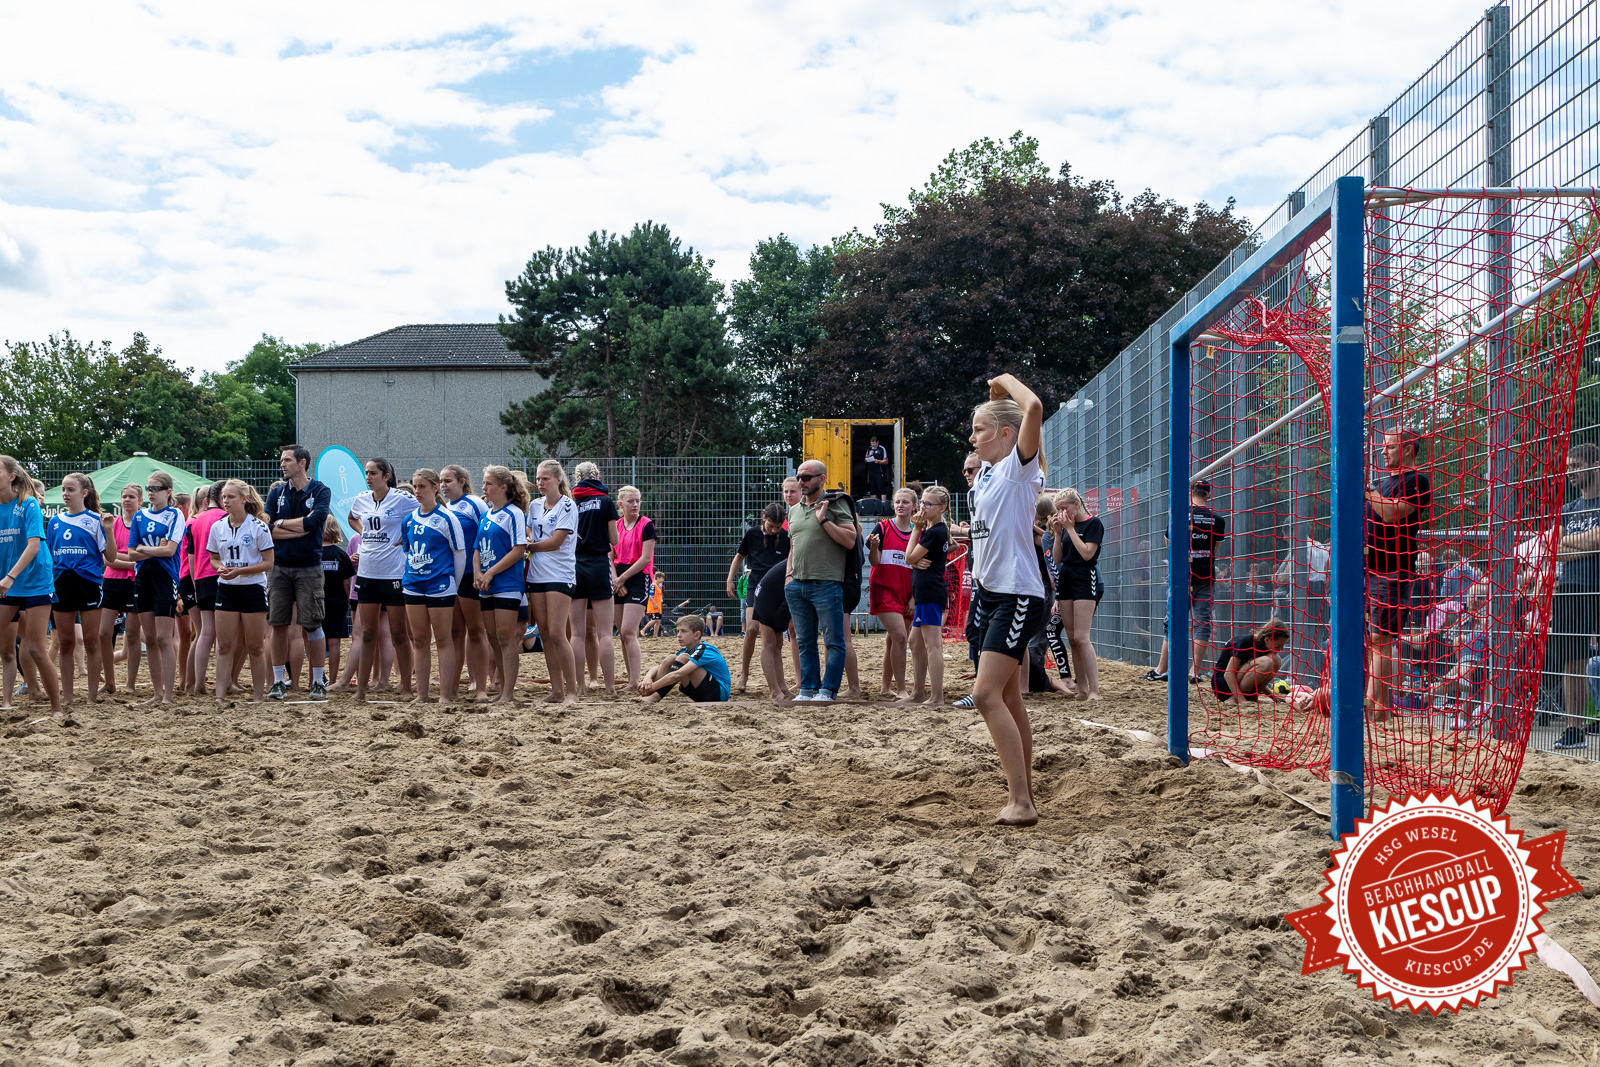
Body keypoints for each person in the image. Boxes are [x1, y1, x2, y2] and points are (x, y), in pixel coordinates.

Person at [966, 375, 1050, 827]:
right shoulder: (988, 476)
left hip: (1018, 595)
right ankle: (1025, 794)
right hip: (991, 595)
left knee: (983, 695)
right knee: (1010, 697)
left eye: (979, 429)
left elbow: (1033, 407)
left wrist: (1004, 383)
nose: (972, 437)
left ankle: (1021, 802)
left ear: (1004, 434)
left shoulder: (1019, 468)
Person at [1365, 430, 1432, 713]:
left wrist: (1368, 491)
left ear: (1406, 449)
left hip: (1394, 569)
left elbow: (1393, 514)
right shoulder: (1381, 483)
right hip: (1369, 569)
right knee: (1375, 638)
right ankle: (1380, 706)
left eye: (1389, 446)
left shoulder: (1417, 480)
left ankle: (1374, 704)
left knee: (1382, 637)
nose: (1383, 452)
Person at [784, 460, 858, 702]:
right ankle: (808, 689)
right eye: (799, 477)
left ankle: (828, 691)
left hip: (827, 583)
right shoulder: (794, 510)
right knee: (804, 641)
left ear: (822, 478)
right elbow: (793, 546)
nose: (801, 482)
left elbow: (850, 540)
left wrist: (824, 520)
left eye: (807, 477)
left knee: (833, 641)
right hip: (797, 584)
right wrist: (788, 576)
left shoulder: (835, 504)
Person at [263, 445, 333, 701]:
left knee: (312, 625)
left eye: (287, 460)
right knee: (278, 625)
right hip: (279, 566)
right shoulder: (276, 492)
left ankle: (317, 682)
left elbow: (315, 523)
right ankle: (279, 682)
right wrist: (292, 526)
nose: (282, 464)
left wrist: (281, 524)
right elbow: (266, 526)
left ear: (302, 462)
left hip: (309, 566)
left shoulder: (320, 490)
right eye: (281, 460)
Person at [349, 458, 417, 702]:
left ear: (386, 476)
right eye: (366, 473)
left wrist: (406, 536)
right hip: (367, 572)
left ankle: (407, 687)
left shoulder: (401, 498)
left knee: (399, 633)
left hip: (393, 573)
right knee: (368, 632)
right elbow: (352, 517)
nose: (368, 477)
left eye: (373, 473)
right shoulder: (362, 498)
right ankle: (361, 690)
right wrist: (363, 533)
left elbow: (423, 512)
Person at [47, 473, 117, 706]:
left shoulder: (96, 520)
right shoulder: (55, 522)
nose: (65, 494)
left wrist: (108, 531)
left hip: (87, 582)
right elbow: (49, 555)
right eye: (63, 489)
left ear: (84, 493)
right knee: (65, 642)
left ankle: (91, 698)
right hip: (61, 582)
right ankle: (67, 698)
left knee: (91, 641)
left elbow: (112, 556)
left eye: (71, 489)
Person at [400, 469, 468, 704]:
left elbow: (460, 554)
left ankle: (445, 695)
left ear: (434, 488)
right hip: (413, 584)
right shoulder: (408, 520)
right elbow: (407, 552)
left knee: (442, 639)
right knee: (419, 639)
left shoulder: (448, 518)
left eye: (422, 487)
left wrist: (453, 585)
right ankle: (421, 694)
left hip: (440, 584)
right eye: (415, 486)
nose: (417, 491)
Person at [0, 457, 60, 717]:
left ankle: (57, 708)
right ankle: (13, 697)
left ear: (11, 476)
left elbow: (33, 545)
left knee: (35, 646)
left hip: (34, 580)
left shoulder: (28, 504)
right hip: (7, 581)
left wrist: (10, 577)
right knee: (8, 648)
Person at [207, 479, 273, 701]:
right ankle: (219, 696)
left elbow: (268, 563)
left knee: (255, 646)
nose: (226, 500)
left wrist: (240, 571)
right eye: (224, 496)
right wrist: (221, 569)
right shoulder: (217, 526)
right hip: (226, 588)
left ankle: (257, 696)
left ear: (244, 499)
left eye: (231, 496)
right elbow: (213, 558)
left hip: (252, 588)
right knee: (224, 645)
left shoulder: (258, 527)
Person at [1553, 442, 1600, 748]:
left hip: (1596, 585)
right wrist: (1586, 543)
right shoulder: (1568, 509)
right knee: (1573, 660)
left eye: (1576, 466)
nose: (1570, 472)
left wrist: (1572, 544)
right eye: (1568, 467)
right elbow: (1556, 550)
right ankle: (1574, 729)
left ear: (1594, 467)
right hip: (1571, 588)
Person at [124, 471, 185, 706]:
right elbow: (130, 553)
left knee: (163, 638)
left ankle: (168, 695)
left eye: (155, 488)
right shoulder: (139, 516)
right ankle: (157, 693)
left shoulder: (174, 514)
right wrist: (154, 548)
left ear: (168, 491)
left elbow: (170, 550)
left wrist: (143, 549)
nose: (150, 492)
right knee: (149, 638)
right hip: (143, 577)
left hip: (164, 576)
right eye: (148, 488)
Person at [474, 466, 529, 704]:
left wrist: (491, 573)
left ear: (503, 487)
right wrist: (478, 572)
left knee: (506, 638)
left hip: (507, 582)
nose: (484, 488)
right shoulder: (487, 513)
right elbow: (477, 548)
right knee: (493, 637)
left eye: (488, 484)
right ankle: (501, 687)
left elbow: (519, 549)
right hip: (487, 583)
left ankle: (508, 692)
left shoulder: (513, 513)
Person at [526, 459, 579, 703]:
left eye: (545, 478)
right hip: (537, 574)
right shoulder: (535, 505)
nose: (540, 482)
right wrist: (527, 541)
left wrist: (528, 546)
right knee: (545, 633)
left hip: (559, 574)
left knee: (558, 633)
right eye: (538, 478)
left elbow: (556, 541)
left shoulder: (567, 505)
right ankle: (557, 690)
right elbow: (529, 532)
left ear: (558, 479)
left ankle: (572, 691)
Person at [439, 465, 491, 701]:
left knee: (476, 631)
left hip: (472, 574)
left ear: (462, 481)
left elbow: (486, 535)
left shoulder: (474, 503)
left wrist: (484, 571)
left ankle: (481, 686)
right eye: (440, 481)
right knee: (455, 632)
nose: (443, 485)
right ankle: (452, 687)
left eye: (448, 481)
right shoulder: (447, 507)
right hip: (453, 575)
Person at [570, 462, 620, 699]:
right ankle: (609, 687)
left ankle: (579, 686)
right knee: (605, 633)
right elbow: (614, 539)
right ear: (597, 476)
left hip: (575, 564)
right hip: (599, 563)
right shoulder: (605, 501)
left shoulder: (571, 502)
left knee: (576, 633)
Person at [727, 503, 786, 694]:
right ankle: (744, 673)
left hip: (777, 586)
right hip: (756, 583)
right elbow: (739, 557)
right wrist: (730, 579)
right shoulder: (752, 534)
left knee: (776, 637)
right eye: (771, 526)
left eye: (778, 527)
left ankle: (779, 683)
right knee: (752, 628)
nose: (774, 530)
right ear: (763, 518)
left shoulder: (784, 536)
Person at [1052, 488, 1104, 702]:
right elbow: (1057, 558)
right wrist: (1057, 533)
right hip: (1066, 576)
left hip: (1084, 576)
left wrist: (1070, 529)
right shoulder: (1065, 527)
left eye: (1065, 508)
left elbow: (1086, 553)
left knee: (1082, 637)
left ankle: (1094, 690)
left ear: (1077, 504)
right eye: (1058, 509)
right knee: (1072, 638)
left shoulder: (1093, 523)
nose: (1062, 512)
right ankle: (1082, 688)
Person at [867, 488, 916, 699]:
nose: (900, 505)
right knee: (899, 637)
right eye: (897, 502)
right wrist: (874, 547)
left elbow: (922, 568)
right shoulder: (883, 527)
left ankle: (885, 687)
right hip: (884, 588)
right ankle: (902, 689)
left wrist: (914, 597)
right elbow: (874, 562)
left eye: (905, 502)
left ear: (914, 506)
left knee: (892, 640)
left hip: (907, 591)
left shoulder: (918, 531)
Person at [905, 485, 951, 705]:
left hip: (930, 591)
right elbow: (914, 559)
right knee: (915, 642)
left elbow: (908, 556)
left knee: (932, 644)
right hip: (925, 591)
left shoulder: (934, 531)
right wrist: (916, 561)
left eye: (928, 504)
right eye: (922, 502)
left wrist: (915, 529)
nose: (922, 507)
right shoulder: (936, 530)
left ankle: (936, 696)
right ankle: (918, 692)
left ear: (941, 508)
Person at [182, 481, 227, 696]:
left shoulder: (196, 520)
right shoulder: (223, 518)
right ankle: (223, 683)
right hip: (220, 575)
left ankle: (198, 682)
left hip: (200, 577)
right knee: (222, 636)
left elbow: (191, 556)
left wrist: (194, 581)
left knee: (204, 633)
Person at [612, 485, 657, 692]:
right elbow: (610, 556)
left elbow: (645, 558)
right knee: (622, 632)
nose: (636, 504)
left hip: (637, 577)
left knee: (630, 631)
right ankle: (631, 678)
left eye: (638, 500)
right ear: (620, 504)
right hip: (619, 577)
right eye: (631, 501)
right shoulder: (617, 525)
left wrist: (622, 578)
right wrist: (615, 580)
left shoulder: (646, 524)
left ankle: (633, 681)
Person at [100, 484, 142, 694]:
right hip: (112, 582)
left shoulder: (143, 523)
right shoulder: (113, 523)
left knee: (132, 635)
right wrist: (131, 561)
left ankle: (131, 684)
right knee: (104, 633)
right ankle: (109, 682)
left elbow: (141, 555)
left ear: (140, 501)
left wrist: (123, 558)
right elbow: (108, 559)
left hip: (134, 583)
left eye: (131, 497)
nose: (127, 500)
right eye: (124, 496)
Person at [637, 614, 730, 704]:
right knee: (671, 658)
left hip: (718, 695)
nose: (679, 635)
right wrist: (647, 678)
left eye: (683, 631)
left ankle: (654, 696)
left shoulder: (704, 650)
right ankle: (650, 694)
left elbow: (677, 674)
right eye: (678, 631)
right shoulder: (686, 650)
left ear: (697, 635)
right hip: (700, 691)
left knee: (683, 658)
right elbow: (658, 667)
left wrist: (651, 687)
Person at [1186, 480, 1227, 684]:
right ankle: (1195, 671)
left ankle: (1164, 669)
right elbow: (1214, 550)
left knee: (1173, 620)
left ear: (1190, 493)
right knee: (1202, 622)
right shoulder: (1217, 519)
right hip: (1205, 575)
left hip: (1182, 576)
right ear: (1208, 495)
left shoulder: (1179, 512)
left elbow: (1169, 543)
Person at [1211, 620, 1291, 705]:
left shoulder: (1265, 646)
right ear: (1267, 639)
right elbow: (1228, 674)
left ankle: (1253, 696)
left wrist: (1272, 696)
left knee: (1276, 660)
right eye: (1278, 646)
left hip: (1238, 681)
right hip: (1223, 685)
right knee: (1267, 662)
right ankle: (1234, 698)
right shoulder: (1244, 642)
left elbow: (1258, 676)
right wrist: (1241, 699)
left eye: (1283, 645)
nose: (1281, 649)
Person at [321, 515, 354, 689]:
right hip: (337, 604)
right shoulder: (341, 555)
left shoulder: (313, 553)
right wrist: (347, 601)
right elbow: (346, 582)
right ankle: (333, 680)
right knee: (334, 644)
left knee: (315, 642)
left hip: (315, 603)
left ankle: (316, 680)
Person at [864, 436, 890, 501]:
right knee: (872, 489)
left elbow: (886, 461)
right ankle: (874, 505)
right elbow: (865, 461)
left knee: (881, 488)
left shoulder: (881, 449)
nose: (873, 445)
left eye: (874, 443)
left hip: (879, 471)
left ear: (877, 442)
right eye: (871, 443)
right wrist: (869, 455)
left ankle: (883, 504)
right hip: (871, 472)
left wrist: (878, 461)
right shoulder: (869, 449)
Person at [642, 571, 665, 637]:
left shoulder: (657, 586)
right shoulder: (653, 586)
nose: (663, 580)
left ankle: (655, 635)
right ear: (658, 578)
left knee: (658, 621)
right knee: (655, 619)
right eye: (662, 578)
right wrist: (655, 604)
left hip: (658, 607)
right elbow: (651, 596)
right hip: (654, 606)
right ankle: (643, 630)